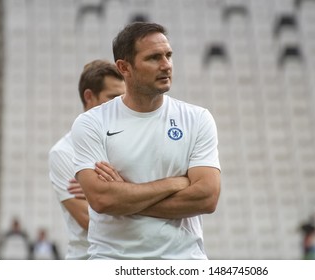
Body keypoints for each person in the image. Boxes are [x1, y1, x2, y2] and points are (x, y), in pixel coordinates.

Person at [71, 22, 221, 259]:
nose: (166, 65)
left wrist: (124, 198)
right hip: (113, 261)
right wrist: (175, 183)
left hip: (184, 261)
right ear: (124, 67)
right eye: (153, 58)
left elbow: (207, 197)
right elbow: (102, 199)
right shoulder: (91, 123)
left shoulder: (197, 119)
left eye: (168, 55)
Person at [48, 60, 126, 259]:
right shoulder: (64, 152)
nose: (121, 104)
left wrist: (103, 192)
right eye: (113, 97)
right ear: (89, 97)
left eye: (124, 97)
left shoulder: (131, 142)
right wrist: (126, 191)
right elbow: (88, 221)